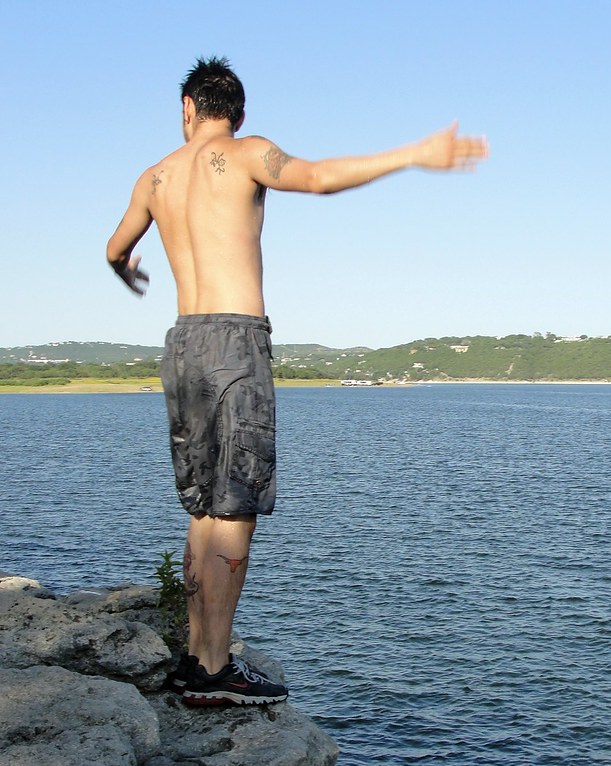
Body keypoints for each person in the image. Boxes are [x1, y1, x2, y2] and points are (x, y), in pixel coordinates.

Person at [107, 56, 488, 709]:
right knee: (235, 509)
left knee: (202, 507)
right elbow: (315, 179)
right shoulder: (247, 152)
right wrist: (414, 153)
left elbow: (116, 248)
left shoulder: (154, 176)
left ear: (187, 108)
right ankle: (215, 669)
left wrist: (128, 273)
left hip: (183, 343)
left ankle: (196, 657)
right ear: (236, 113)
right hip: (234, 341)